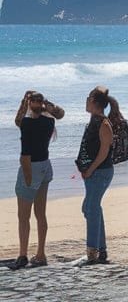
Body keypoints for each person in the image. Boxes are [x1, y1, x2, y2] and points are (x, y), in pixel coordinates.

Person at [10, 91, 64, 270]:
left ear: (31, 103)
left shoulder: (27, 123)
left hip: (30, 166)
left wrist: (23, 102)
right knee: (40, 213)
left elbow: (18, 121)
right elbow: (59, 113)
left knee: (23, 216)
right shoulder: (49, 122)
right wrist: (47, 104)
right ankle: (40, 253)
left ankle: (23, 254)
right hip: (45, 166)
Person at [75, 86, 125, 267]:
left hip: (101, 172)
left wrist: (91, 169)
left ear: (95, 103)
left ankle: (92, 252)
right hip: (94, 172)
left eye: (89, 98)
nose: (86, 101)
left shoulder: (104, 124)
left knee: (91, 207)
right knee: (91, 208)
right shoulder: (94, 120)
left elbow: (104, 151)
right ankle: (100, 250)